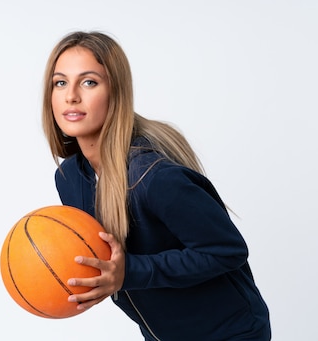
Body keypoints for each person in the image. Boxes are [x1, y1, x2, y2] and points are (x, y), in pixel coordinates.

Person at [41, 31, 271, 341]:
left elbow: (227, 250)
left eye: (89, 82)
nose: (71, 96)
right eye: (60, 82)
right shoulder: (69, 178)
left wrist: (131, 272)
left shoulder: (152, 178)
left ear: (116, 92)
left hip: (230, 333)